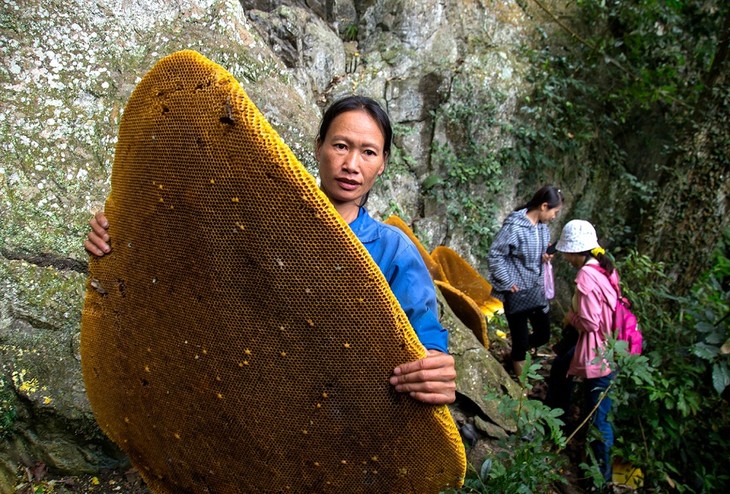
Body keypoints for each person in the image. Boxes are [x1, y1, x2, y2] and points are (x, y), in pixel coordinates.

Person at [84, 95, 457, 405]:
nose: (351, 165)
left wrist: (435, 366)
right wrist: (118, 238)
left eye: (368, 152)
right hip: (242, 399)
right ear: (319, 147)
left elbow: (424, 339)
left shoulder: (393, 251)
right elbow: (190, 260)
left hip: (340, 418)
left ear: (383, 165)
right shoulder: (264, 217)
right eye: (341, 146)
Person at [550, 219, 617, 484]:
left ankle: (599, 479)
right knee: (560, 369)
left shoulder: (587, 275)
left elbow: (590, 323)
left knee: (599, 417)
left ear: (576, 252)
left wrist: (571, 318)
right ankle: (556, 422)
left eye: (566, 251)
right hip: (610, 343)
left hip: (598, 349)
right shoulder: (604, 267)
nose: (564, 257)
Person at [487, 185, 563, 377]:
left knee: (543, 334)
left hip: (536, 290)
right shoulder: (514, 227)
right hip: (517, 291)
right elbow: (496, 254)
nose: (555, 216)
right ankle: (522, 393)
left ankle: (515, 354)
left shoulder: (543, 228)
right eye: (555, 211)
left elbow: (536, 253)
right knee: (521, 342)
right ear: (544, 206)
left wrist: (544, 256)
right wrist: (507, 281)